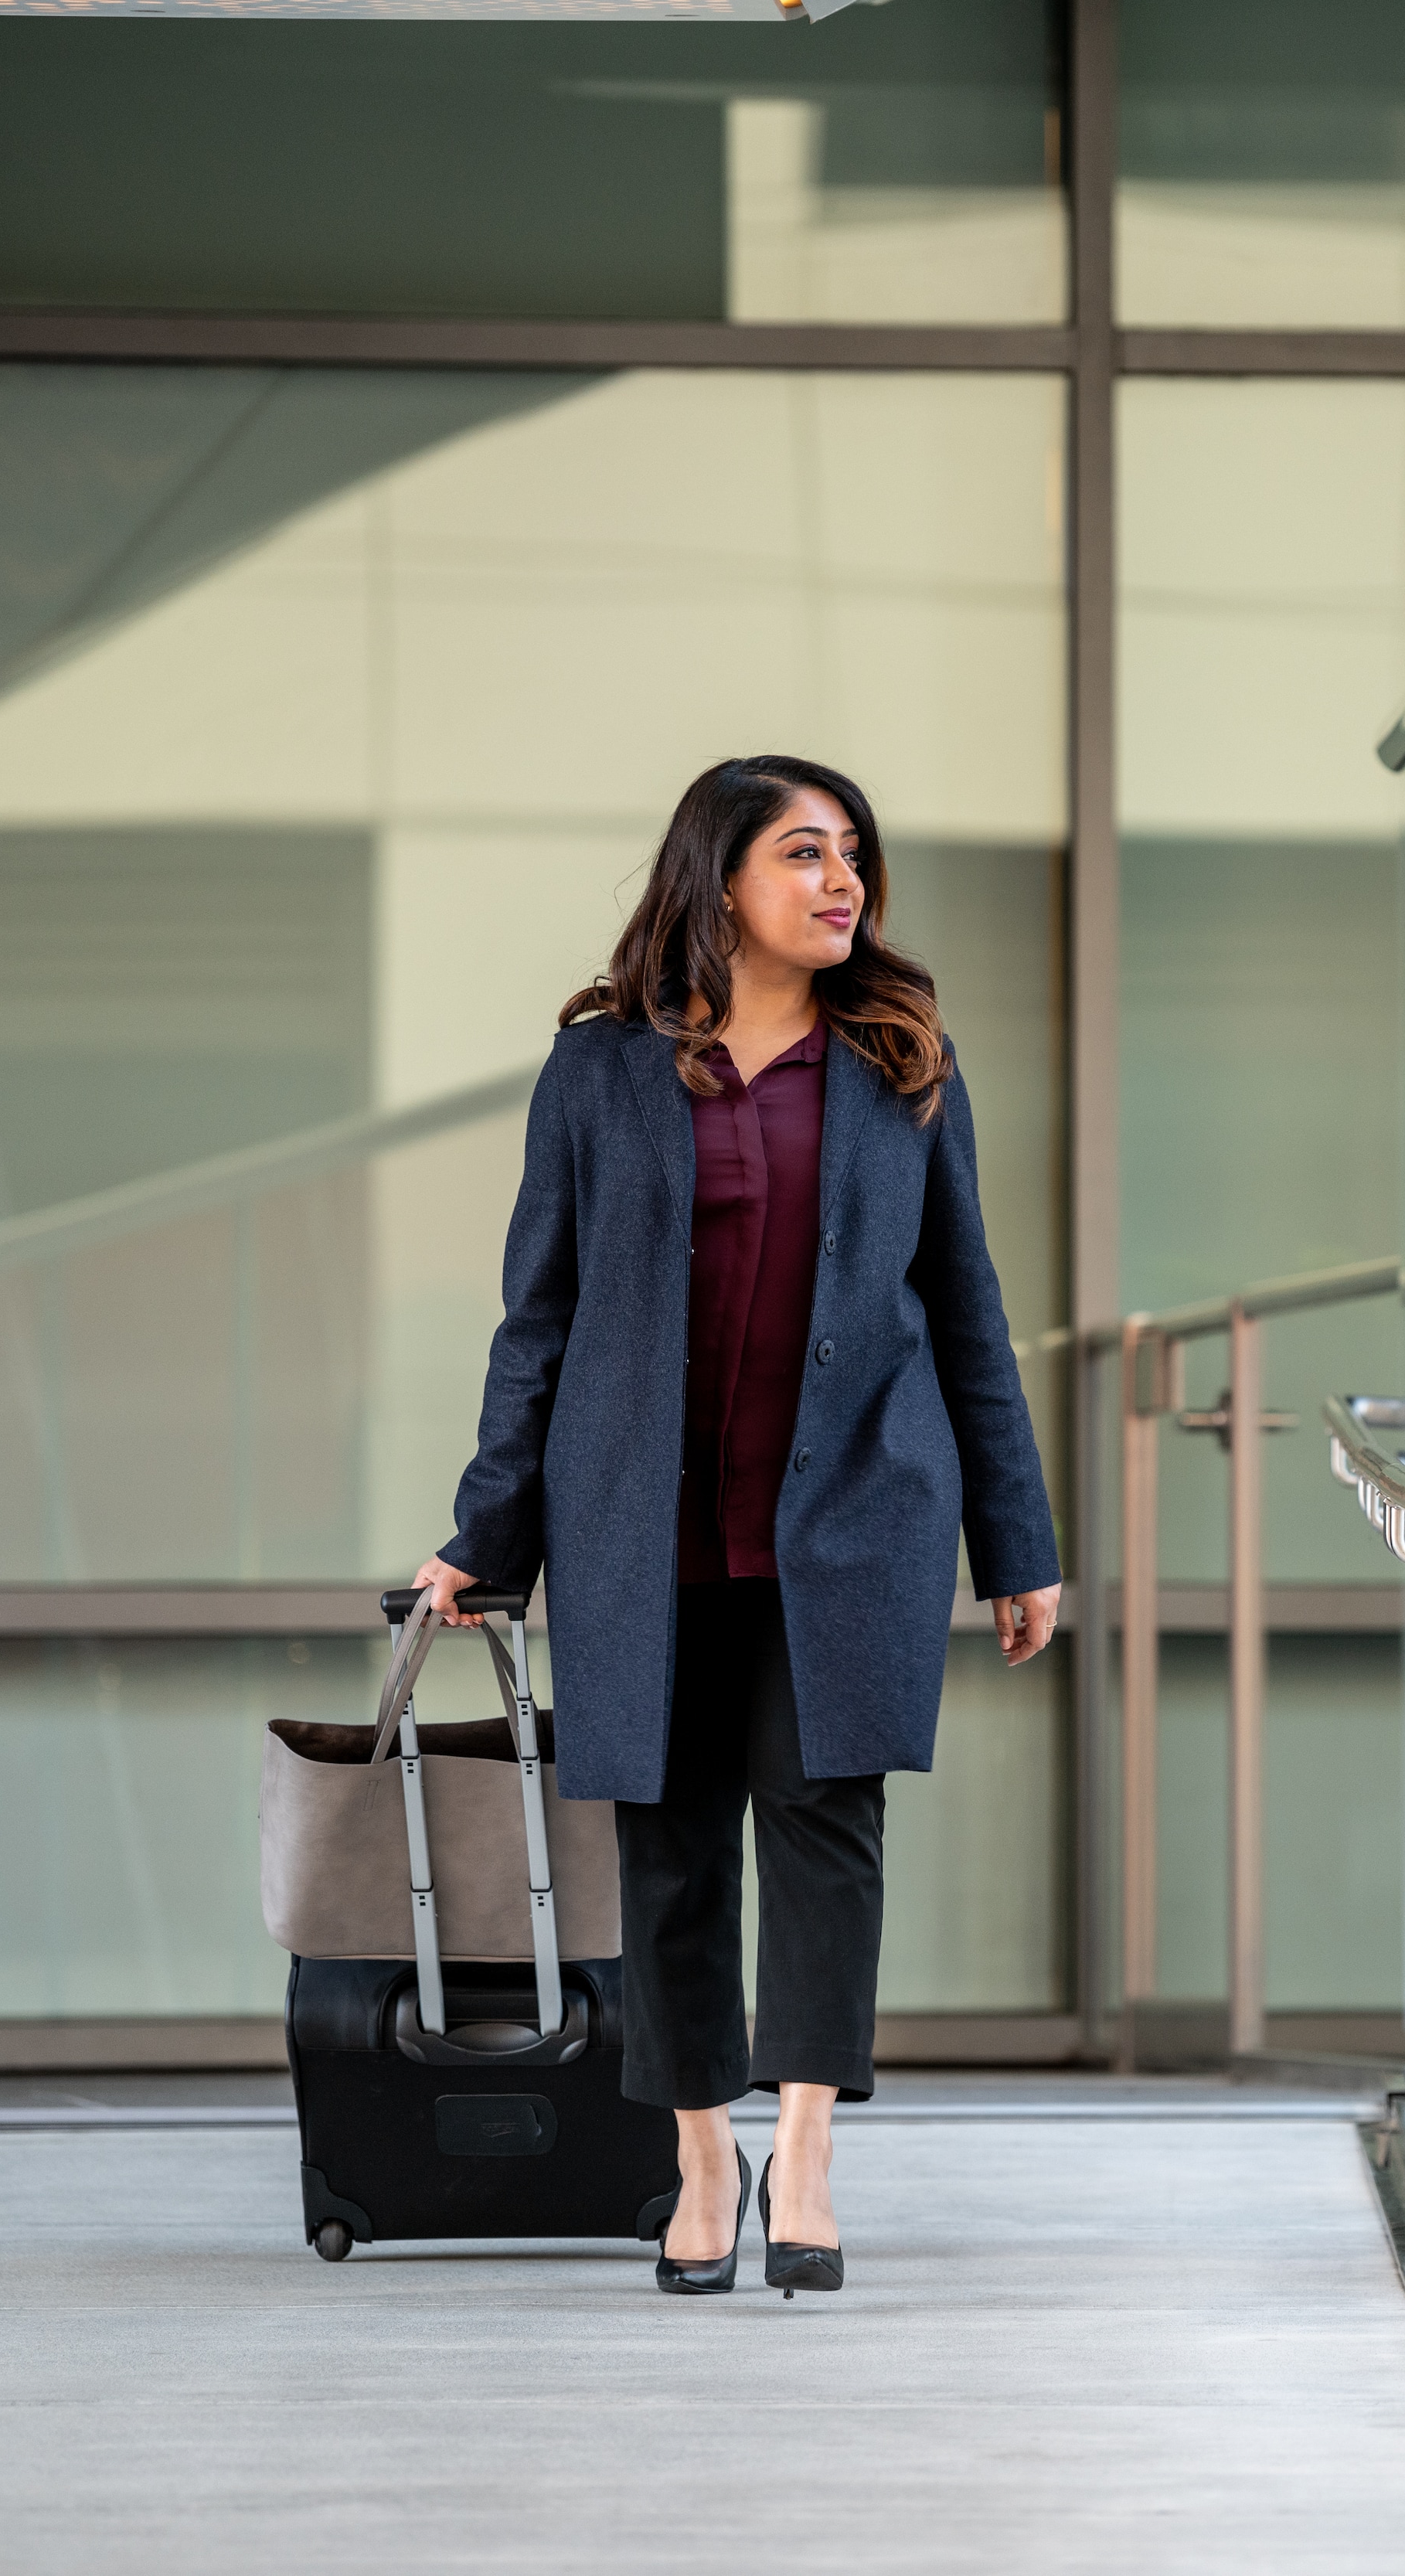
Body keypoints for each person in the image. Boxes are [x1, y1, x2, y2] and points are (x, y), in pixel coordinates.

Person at [414, 753, 1062, 2299]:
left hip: (853, 1526)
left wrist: (1015, 1535)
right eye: (803, 853)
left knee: (829, 1834)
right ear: (719, 880)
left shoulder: (904, 1061)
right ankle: (705, 2156)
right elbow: (540, 1320)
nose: (841, 882)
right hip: (649, 1531)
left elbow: (968, 1314)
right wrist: (483, 1528)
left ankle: (813, 2159)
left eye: (852, 855)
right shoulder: (598, 1071)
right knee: (677, 1849)